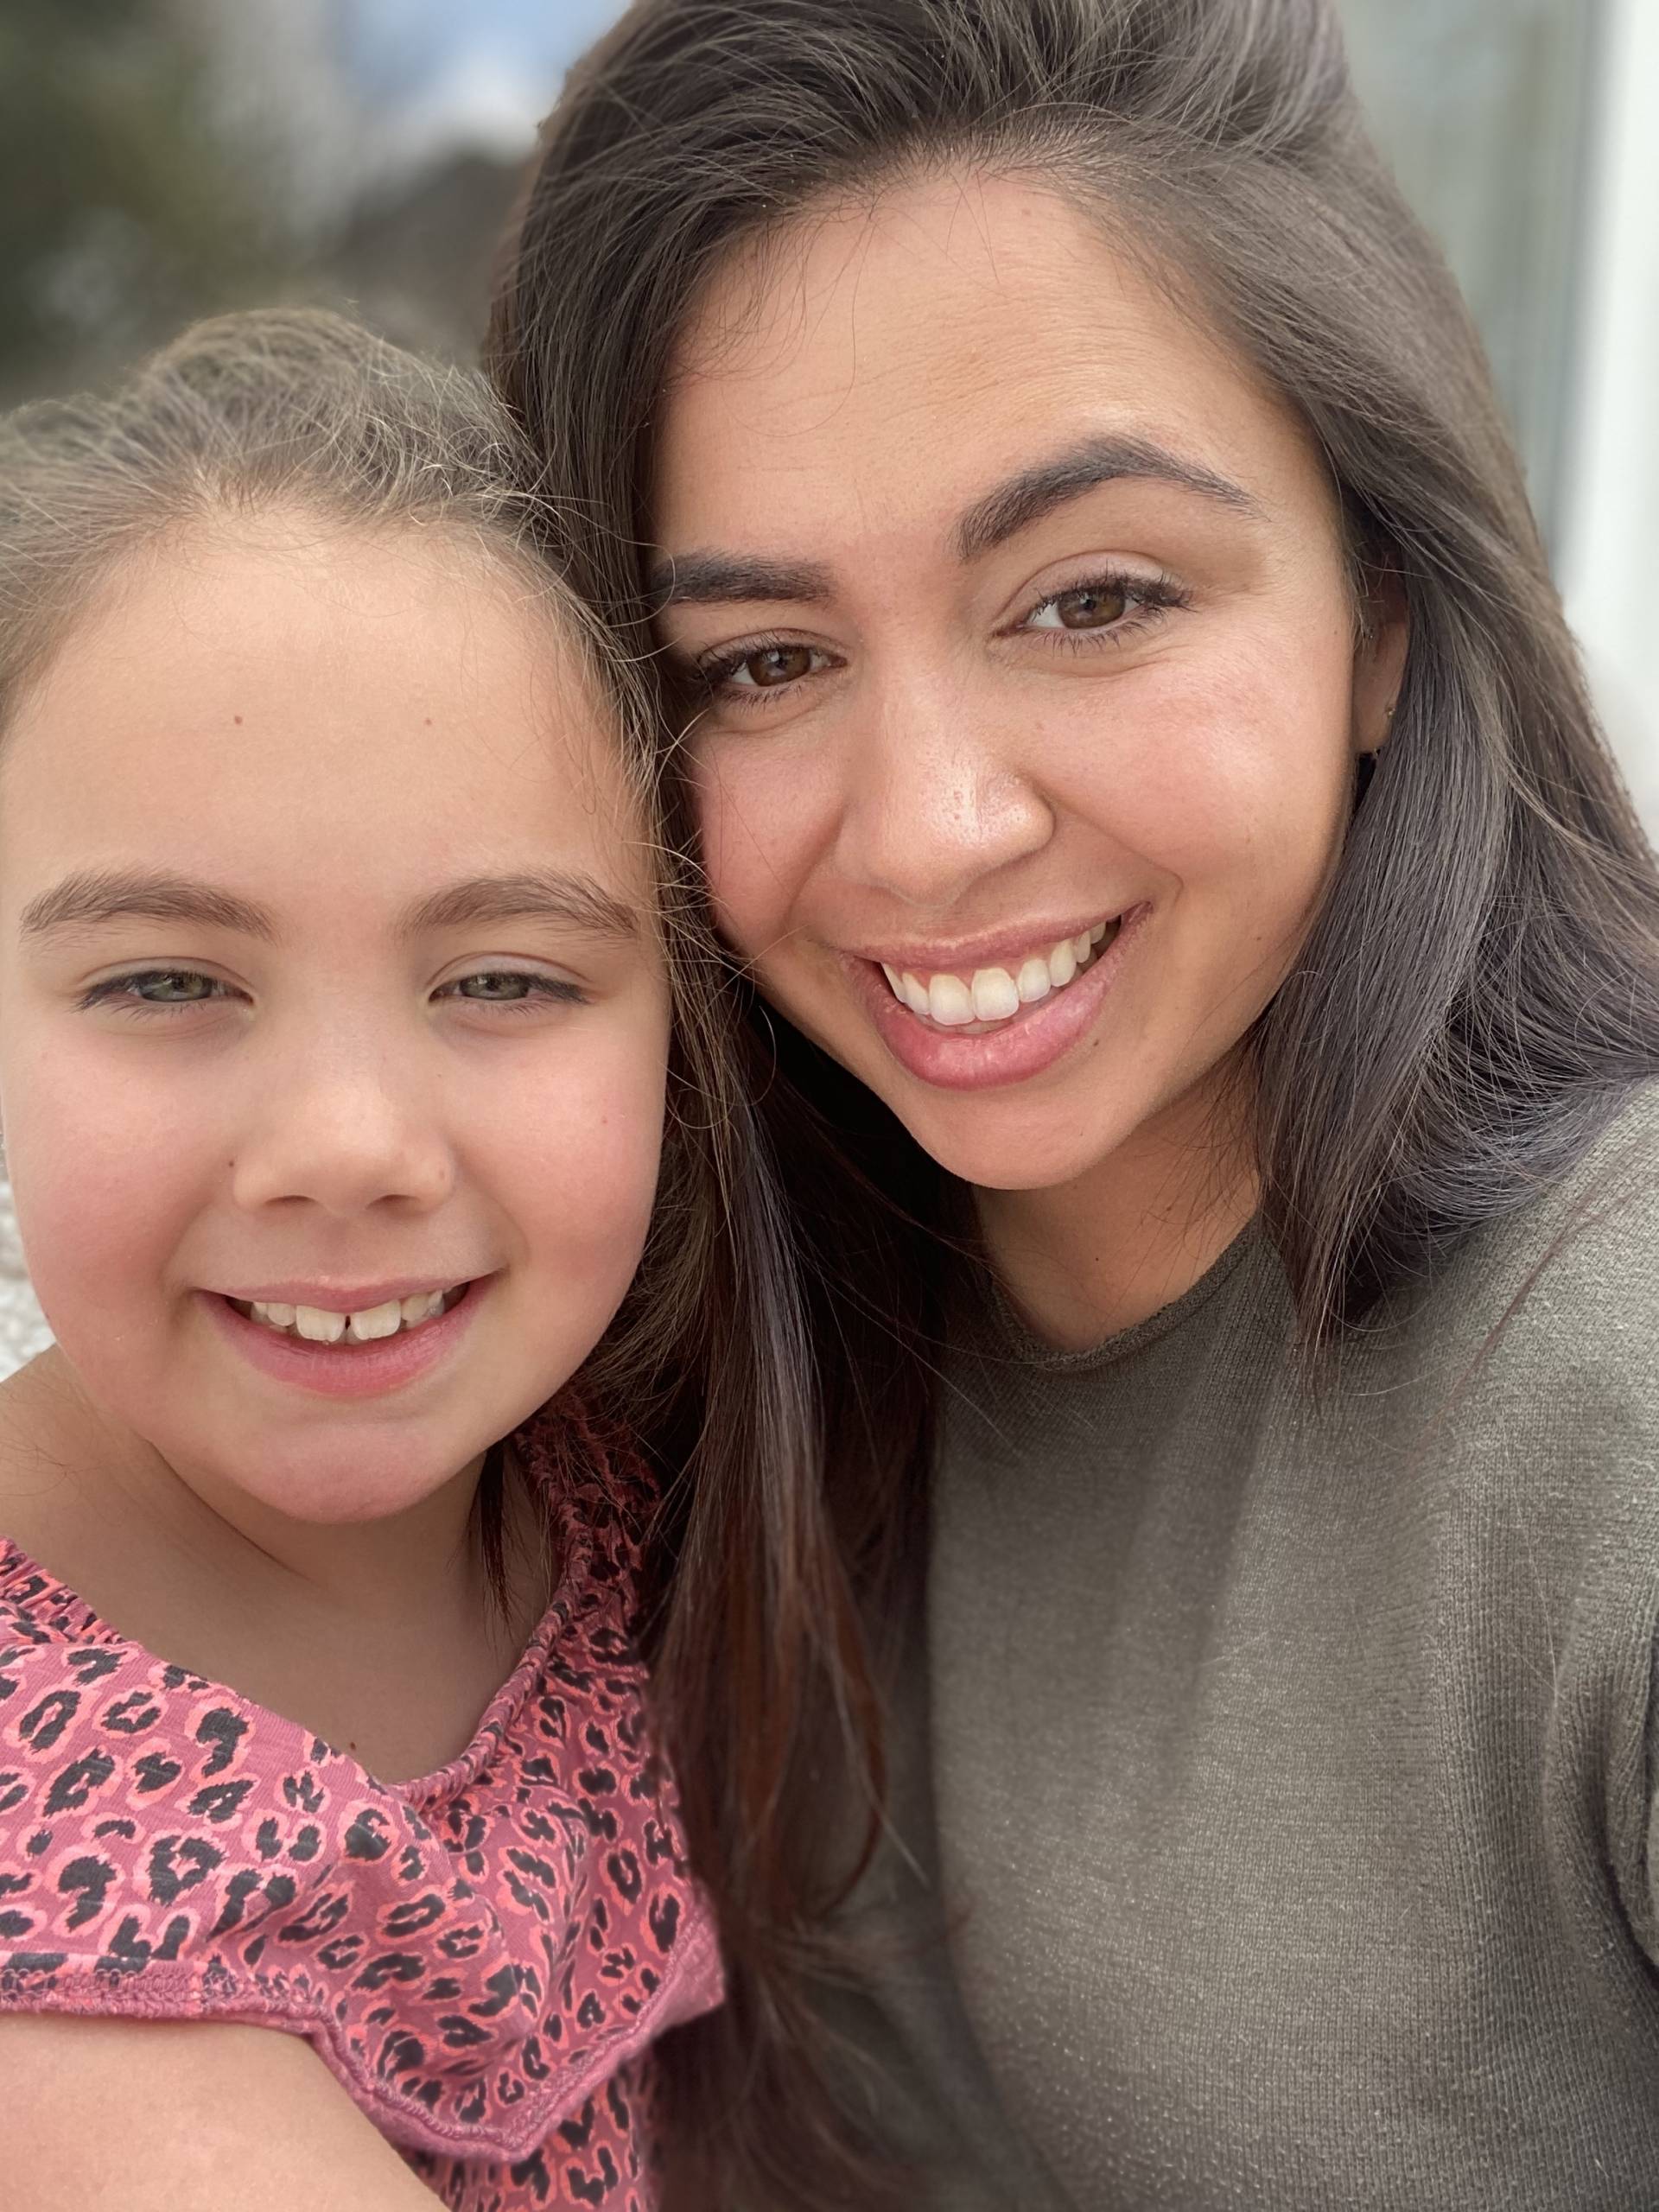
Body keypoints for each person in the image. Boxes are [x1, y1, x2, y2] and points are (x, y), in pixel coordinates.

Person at [489, 1, 1659, 2205]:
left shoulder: (1612, 1398)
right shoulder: (671, 1345)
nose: (927, 830)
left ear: (1382, 609)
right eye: (764, 661)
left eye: (1094, 597)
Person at [0, 308, 815, 2212]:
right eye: (169, 980)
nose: (348, 1146)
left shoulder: (620, 1482)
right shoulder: (63, 1966)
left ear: (683, 1037)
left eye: (505, 978)